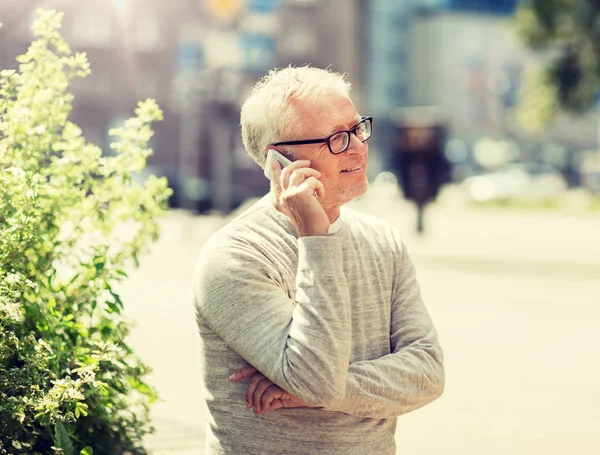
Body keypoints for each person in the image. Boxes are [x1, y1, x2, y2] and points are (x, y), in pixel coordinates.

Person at [192, 66, 444, 455]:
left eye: (357, 128)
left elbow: (428, 373)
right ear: (280, 162)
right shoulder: (234, 256)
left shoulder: (382, 239)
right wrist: (315, 237)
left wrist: (317, 391)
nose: (359, 148)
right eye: (337, 139)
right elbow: (315, 379)